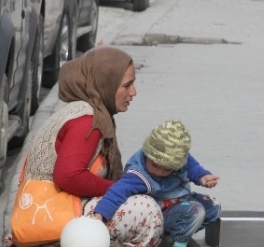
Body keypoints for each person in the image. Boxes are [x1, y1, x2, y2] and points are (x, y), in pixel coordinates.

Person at [10, 47, 164, 247]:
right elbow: (68, 175)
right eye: (127, 85)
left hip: (51, 207)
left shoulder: (85, 110)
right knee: (147, 211)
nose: (133, 92)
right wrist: (120, 189)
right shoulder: (86, 119)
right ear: (105, 84)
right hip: (57, 212)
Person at [91, 120, 221, 247]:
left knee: (213, 206)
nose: (160, 172)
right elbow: (117, 191)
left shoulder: (180, 159)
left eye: (167, 169)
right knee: (196, 211)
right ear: (148, 154)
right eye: (155, 165)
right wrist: (99, 216)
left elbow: (192, 165)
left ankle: (175, 236)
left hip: (184, 201)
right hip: (163, 214)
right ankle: (178, 241)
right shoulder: (138, 175)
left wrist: (203, 176)